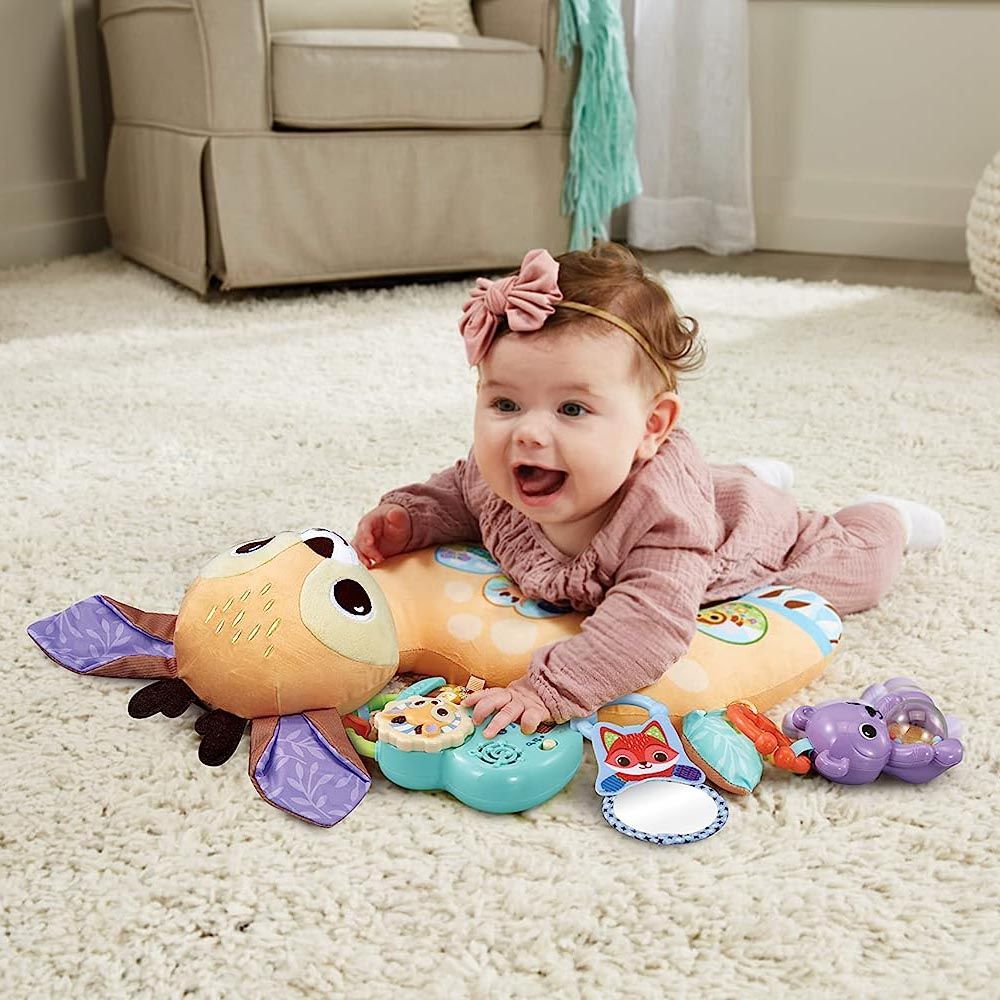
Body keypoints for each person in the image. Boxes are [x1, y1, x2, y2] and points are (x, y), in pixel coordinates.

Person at [351, 243, 944, 738]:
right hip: (694, 483)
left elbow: (649, 625)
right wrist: (411, 517)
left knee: (856, 572)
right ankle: (743, 472)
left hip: (750, 529)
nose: (527, 433)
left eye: (572, 409)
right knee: (713, 482)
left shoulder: (664, 520)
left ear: (651, 427)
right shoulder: (502, 470)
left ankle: (883, 516)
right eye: (505, 403)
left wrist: (549, 689)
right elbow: (460, 492)